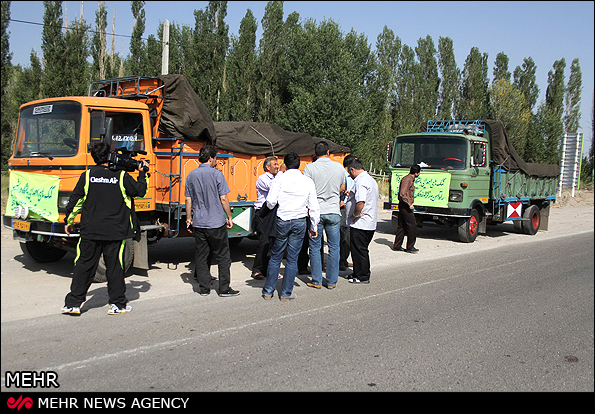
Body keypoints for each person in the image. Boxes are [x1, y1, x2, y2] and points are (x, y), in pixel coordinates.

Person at [61, 141, 148, 315]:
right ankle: (117, 304)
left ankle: (73, 304)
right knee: (115, 267)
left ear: (94, 157)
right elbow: (140, 192)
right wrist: (142, 174)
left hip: (90, 230)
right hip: (115, 232)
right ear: (109, 155)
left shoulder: (87, 176)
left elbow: (75, 201)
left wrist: (68, 221)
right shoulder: (121, 176)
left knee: (83, 265)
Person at [262, 152, 319, 301]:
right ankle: (286, 293)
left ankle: (268, 291)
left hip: (282, 220)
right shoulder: (307, 181)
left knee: (276, 256)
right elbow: (313, 207)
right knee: (293, 259)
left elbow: (270, 202)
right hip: (300, 221)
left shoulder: (279, 179)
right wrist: (314, 226)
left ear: (285, 165)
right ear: (299, 164)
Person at [185, 144, 240, 297]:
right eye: (215, 158)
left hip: (199, 222)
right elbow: (223, 198)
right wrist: (229, 216)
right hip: (216, 222)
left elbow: (188, 200)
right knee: (223, 255)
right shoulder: (217, 175)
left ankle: (204, 289)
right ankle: (224, 288)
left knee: (202, 256)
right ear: (211, 158)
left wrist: (189, 218)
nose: (216, 160)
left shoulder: (191, 175)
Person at [304, 141, 346, 289]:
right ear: (328, 152)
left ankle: (316, 280)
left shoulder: (309, 168)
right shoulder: (339, 167)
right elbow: (342, 187)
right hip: (334, 211)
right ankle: (332, 281)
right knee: (334, 247)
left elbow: (306, 189)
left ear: (315, 153)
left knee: (315, 247)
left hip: (317, 212)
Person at [345, 157, 379, 284]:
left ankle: (363, 276)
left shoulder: (361, 182)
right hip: (368, 221)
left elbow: (360, 202)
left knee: (360, 250)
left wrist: (354, 214)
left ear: (352, 169)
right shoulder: (370, 180)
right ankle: (357, 272)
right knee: (357, 249)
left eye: (349, 172)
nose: (350, 175)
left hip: (362, 222)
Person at [251, 156, 282, 280]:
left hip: (274, 213)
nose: (277, 166)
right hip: (263, 213)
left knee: (273, 242)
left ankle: (270, 270)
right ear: (267, 167)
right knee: (264, 242)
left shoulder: (277, 178)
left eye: (278, 164)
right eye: (274, 164)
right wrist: (281, 175)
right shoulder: (262, 178)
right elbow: (273, 189)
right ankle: (257, 269)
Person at [392, 164, 421, 254]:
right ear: (417, 173)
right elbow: (402, 193)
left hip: (404, 205)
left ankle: (397, 245)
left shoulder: (409, 179)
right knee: (412, 225)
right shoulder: (408, 179)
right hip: (405, 205)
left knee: (402, 225)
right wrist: (409, 204)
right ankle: (410, 247)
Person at [340, 154, 356, 271]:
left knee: (348, 235)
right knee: (344, 234)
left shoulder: (353, 177)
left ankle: (344, 259)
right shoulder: (342, 175)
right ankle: (341, 260)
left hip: (350, 208)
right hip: (343, 208)